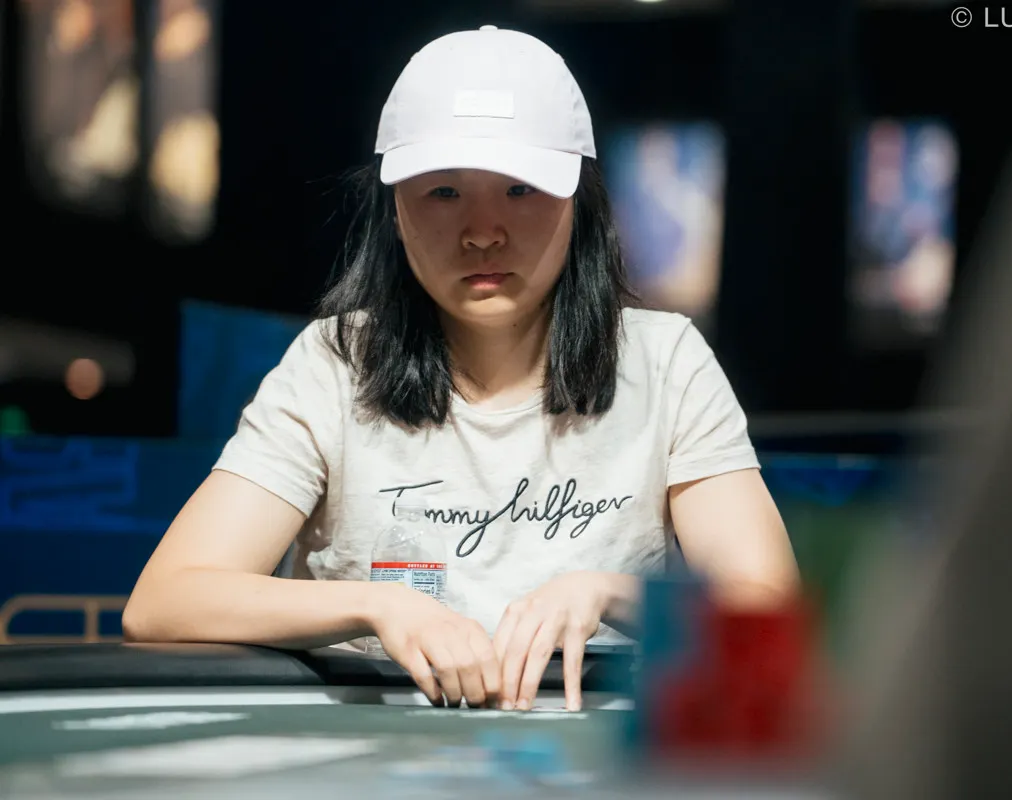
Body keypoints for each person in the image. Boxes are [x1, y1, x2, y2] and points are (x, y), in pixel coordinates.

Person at [123, 25, 799, 713]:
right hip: (377, 755)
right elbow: (165, 600)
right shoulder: (334, 362)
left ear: (578, 200)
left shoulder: (665, 361)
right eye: (444, 192)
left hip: (601, 753)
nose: (482, 231)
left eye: (520, 189)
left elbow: (769, 611)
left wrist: (607, 594)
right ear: (395, 208)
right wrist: (379, 605)